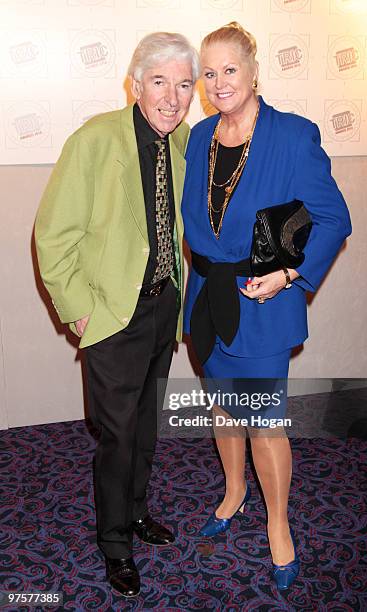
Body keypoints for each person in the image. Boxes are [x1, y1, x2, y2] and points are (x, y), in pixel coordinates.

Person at [182, 22, 351, 591]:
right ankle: (233, 494)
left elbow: (333, 219)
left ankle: (279, 525)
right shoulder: (201, 136)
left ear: (254, 72)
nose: (218, 81)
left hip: (262, 304)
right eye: (209, 72)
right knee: (224, 409)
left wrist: (288, 274)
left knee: (265, 425)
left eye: (230, 69)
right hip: (209, 300)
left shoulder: (292, 135)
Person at [35, 32, 199, 598]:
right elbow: (53, 235)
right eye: (160, 82)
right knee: (118, 435)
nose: (172, 98)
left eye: (184, 84)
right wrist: (78, 311)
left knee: (147, 428)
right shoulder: (96, 140)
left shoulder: (181, 146)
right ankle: (114, 545)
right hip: (110, 316)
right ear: (136, 84)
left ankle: (134, 513)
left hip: (161, 311)